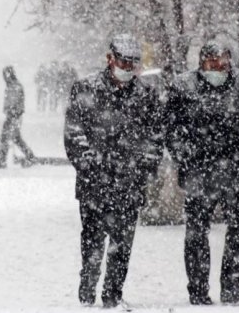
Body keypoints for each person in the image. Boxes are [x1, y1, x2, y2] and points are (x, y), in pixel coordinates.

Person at [164, 40, 239, 305]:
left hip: (236, 171)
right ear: (201, 62)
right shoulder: (183, 86)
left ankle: (232, 285)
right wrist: (185, 155)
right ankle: (198, 289)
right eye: (212, 61)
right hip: (198, 172)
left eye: (223, 61)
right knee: (197, 231)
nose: (218, 67)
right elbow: (171, 127)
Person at [64, 34, 163, 308]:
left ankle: (113, 295)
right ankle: (87, 289)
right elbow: (74, 133)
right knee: (92, 241)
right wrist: (88, 163)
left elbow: (155, 136)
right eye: (123, 61)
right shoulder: (85, 89)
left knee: (122, 243)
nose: (127, 67)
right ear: (110, 59)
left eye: (133, 63)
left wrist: (144, 166)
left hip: (129, 183)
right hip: (93, 184)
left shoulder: (146, 95)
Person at [0, 66, 35, 168]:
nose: (4, 77)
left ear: (10, 74)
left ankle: (3, 160)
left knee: (7, 137)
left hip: (14, 116)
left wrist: (11, 111)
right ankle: (29, 156)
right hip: (12, 115)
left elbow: (14, 102)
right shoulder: (11, 86)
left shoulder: (15, 86)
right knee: (15, 138)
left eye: (6, 75)